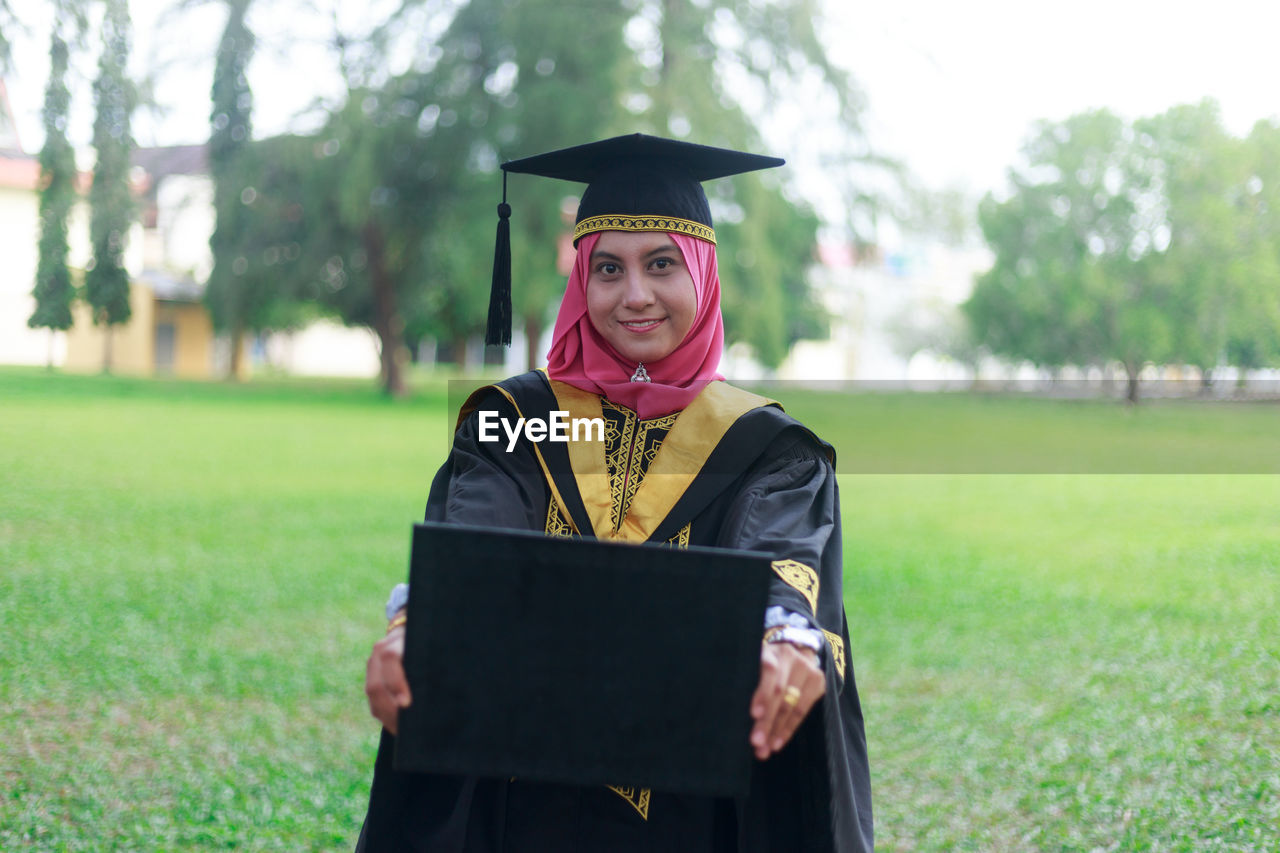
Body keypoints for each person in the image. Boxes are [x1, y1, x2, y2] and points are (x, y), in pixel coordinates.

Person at [357, 134, 872, 852]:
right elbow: (476, 534)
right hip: (523, 812)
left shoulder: (767, 448)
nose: (635, 295)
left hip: (696, 819)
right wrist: (420, 623)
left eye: (661, 264)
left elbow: (782, 561)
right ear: (580, 282)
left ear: (703, 273)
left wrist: (787, 635)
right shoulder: (517, 419)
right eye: (608, 268)